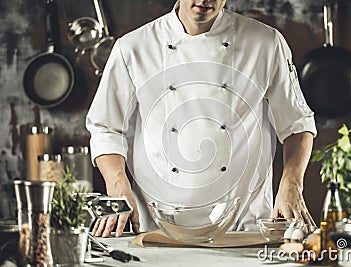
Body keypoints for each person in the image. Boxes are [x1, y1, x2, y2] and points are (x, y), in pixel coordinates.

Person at [86, 0, 317, 238]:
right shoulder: (134, 47)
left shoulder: (265, 42)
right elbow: (106, 128)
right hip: (157, 222)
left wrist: (292, 183)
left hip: (243, 223)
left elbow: (297, 123)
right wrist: (117, 184)